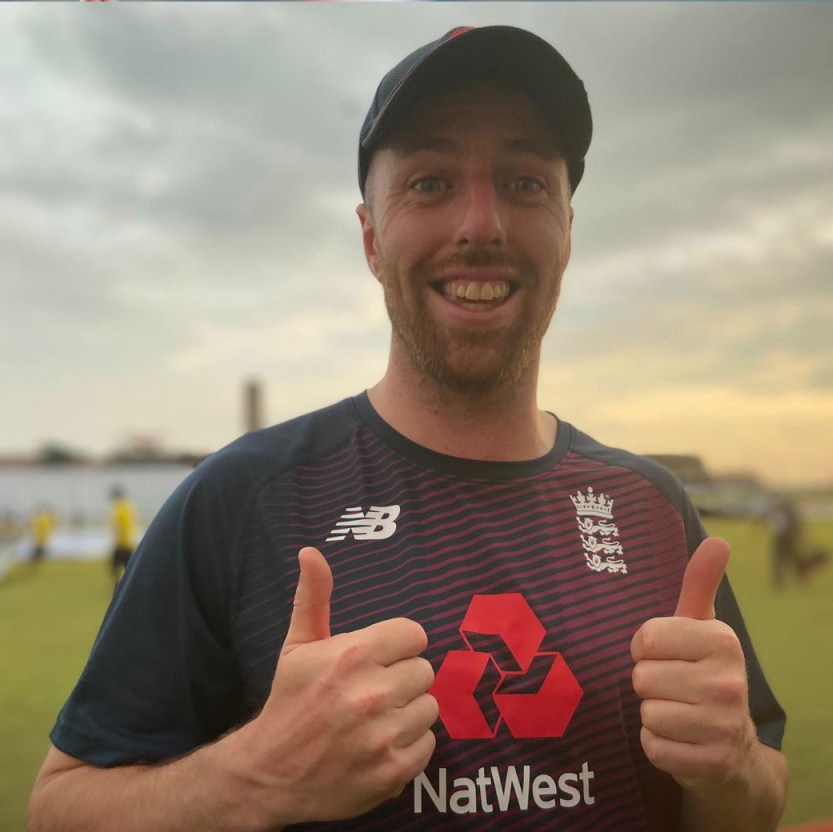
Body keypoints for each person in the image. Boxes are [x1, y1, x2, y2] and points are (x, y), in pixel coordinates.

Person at [28, 26, 788, 832]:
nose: (482, 223)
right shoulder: (243, 497)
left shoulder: (650, 505)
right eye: (430, 183)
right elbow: (58, 808)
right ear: (370, 238)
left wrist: (733, 765)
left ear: (568, 228)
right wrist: (254, 776)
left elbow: (754, 802)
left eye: (526, 182)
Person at [108, 486, 138, 589]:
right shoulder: (128, 506)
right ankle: (127, 585)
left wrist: (119, 539)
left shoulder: (120, 508)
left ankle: (119, 586)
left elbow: (121, 526)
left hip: (122, 543)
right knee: (127, 566)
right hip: (128, 541)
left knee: (116, 566)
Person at [28, 504, 56, 570]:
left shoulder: (43, 519)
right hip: (40, 539)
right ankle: (33, 565)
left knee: (39, 553)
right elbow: (38, 529)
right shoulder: (43, 519)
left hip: (41, 539)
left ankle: (34, 565)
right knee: (38, 553)